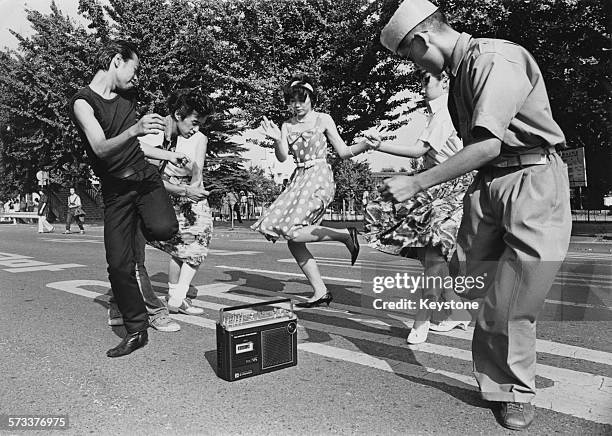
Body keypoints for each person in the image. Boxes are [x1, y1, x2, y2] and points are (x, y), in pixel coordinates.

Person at [379, 0, 571, 430]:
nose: (415, 66)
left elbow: (487, 144)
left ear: (423, 38)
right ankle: (502, 368)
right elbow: (479, 155)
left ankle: (513, 389)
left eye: (410, 55)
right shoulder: (460, 72)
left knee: (512, 298)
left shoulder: (493, 59)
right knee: (469, 280)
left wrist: (417, 182)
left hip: (531, 179)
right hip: (488, 186)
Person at [70, 39, 186, 358]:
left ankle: (143, 222)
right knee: (119, 266)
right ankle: (136, 330)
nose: (136, 78)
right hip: (116, 192)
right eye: (134, 68)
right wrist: (136, 129)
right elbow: (101, 147)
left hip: (145, 178)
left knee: (164, 230)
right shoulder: (83, 102)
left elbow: (135, 148)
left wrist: (166, 152)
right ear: (117, 60)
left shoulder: (128, 95)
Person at [365, 71, 472, 345]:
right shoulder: (439, 114)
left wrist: (381, 145)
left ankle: (422, 320)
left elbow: (419, 151)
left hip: (449, 187)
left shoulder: (444, 113)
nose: (422, 86)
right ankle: (457, 311)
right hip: (436, 187)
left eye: (427, 80)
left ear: (445, 81)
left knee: (434, 258)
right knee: (431, 258)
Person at [252, 74, 373, 307]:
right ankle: (320, 291)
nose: (297, 105)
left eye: (302, 99)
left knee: (294, 232)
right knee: (292, 240)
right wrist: (277, 139)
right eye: (292, 100)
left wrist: (368, 144)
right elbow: (282, 157)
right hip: (299, 178)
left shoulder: (323, 119)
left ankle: (345, 235)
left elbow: (344, 152)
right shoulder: (286, 125)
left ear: (311, 99)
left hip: (319, 176)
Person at [142, 88, 214, 315]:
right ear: (177, 115)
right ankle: (175, 295)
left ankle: (177, 296)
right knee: (178, 245)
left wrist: (195, 188)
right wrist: (182, 190)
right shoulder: (156, 133)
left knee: (200, 236)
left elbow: (198, 169)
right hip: (163, 190)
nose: (196, 128)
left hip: (189, 190)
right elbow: (148, 176)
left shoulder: (199, 137)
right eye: (193, 122)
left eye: (200, 123)